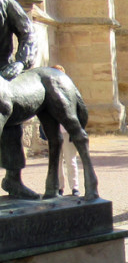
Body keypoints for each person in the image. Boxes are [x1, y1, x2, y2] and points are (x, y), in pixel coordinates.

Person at [0, 0, 38, 198]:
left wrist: (21, 62)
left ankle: (13, 180)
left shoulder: (5, 3)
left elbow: (28, 32)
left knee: (10, 126)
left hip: (1, 72)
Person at [53, 65, 80, 196]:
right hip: (54, 132)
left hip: (68, 131)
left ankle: (75, 187)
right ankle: (59, 187)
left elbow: (78, 110)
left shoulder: (70, 91)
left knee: (70, 160)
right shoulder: (49, 92)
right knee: (56, 162)